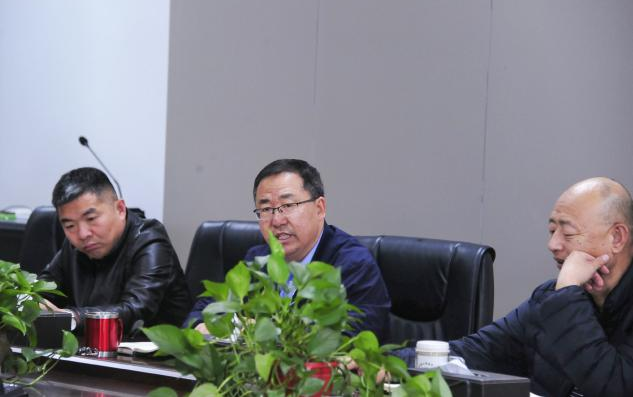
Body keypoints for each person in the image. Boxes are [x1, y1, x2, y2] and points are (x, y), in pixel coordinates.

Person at [401, 177, 633, 396]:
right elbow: (474, 353)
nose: (552, 244)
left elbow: (614, 387)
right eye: (552, 231)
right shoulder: (550, 299)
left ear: (617, 238)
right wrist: (387, 362)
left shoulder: (562, 298)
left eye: (568, 233)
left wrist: (566, 294)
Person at [187, 159, 391, 342]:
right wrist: (200, 325)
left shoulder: (353, 264)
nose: (277, 220)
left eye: (288, 205)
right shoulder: (259, 258)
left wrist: (264, 330)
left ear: (319, 208)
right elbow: (203, 310)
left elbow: (350, 339)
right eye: (266, 209)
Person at [40, 167, 192, 336]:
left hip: (154, 351)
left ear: (120, 209)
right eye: (70, 226)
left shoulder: (150, 240)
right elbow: (44, 288)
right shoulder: (73, 246)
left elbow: (135, 309)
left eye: (91, 219)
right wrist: (33, 303)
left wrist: (72, 317)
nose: (83, 234)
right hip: (93, 348)